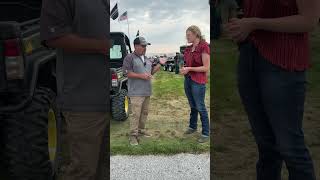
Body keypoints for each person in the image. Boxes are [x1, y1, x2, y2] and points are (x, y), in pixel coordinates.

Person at [225, 0, 319, 179]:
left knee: (290, 146)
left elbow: (309, 20)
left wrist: (254, 23)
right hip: (250, 56)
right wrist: (241, 26)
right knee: (266, 147)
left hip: (283, 60)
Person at [40, 0, 110, 179]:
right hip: (83, 101)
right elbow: (52, 35)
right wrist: (100, 46)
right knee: (83, 170)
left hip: (109, 98)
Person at [122, 37, 166, 146]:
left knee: (144, 113)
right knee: (135, 114)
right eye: (143, 45)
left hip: (147, 91)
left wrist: (161, 64)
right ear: (136, 46)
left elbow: (151, 72)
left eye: (146, 46)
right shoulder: (129, 58)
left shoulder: (147, 59)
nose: (145, 48)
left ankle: (141, 131)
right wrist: (141, 76)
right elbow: (126, 73)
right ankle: (133, 135)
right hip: (136, 92)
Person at [180, 25, 210, 143]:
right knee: (192, 105)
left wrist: (190, 68)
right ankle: (192, 127)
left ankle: (206, 133)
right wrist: (184, 69)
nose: (186, 37)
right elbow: (187, 64)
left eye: (189, 35)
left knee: (200, 106)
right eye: (186, 35)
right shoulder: (188, 49)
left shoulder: (204, 47)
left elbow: (206, 67)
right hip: (188, 79)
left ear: (196, 34)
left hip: (198, 81)